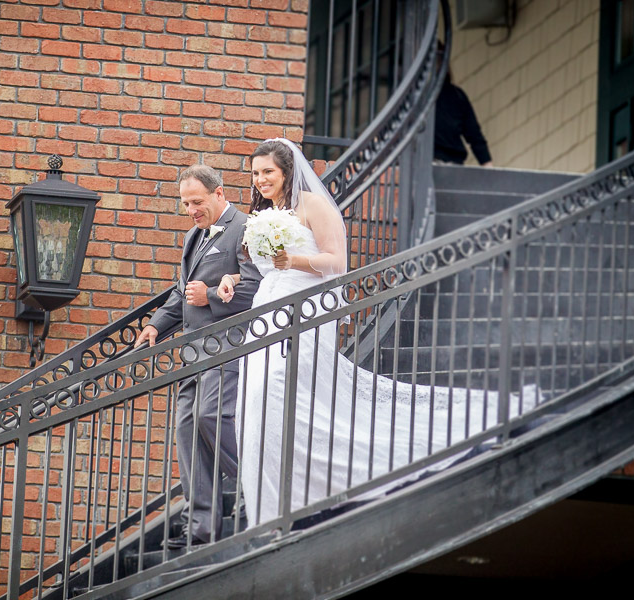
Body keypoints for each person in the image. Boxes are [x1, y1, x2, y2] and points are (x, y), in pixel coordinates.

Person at [219, 139, 533, 526]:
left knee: (282, 389)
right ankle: (278, 502)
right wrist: (235, 277)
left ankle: (327, 480)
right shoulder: (266, 212)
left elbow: (337, 262)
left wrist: (293, 259)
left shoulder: (312, 204)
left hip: (305, 309)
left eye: (268, 171)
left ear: (286, 169)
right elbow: (261, 268)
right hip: (267, 311)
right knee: (259, 402)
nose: (261, 179)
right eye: (255, 173)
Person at [136, 165, 262, 546]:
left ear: (219, 194)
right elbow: (180, 292)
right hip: (193, 348)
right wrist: (156, 326)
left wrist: (209, 295)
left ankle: (254, 487)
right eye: (185, 203)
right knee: (187, 429)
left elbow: (259, 288)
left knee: (211, 416)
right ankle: (201, 526)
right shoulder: (194, 235)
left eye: (197, 201)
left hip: (229, 344)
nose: (191, 209)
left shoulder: (246, 229)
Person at [433, 43, 494, 166]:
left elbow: (475, 137)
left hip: (434, 165)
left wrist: (489, 168)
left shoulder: (456, 96)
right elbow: (475, 137)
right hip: (452, 166)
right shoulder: (457, 95)